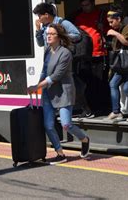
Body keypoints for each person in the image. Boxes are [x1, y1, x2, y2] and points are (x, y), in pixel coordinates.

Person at [27, 24, 90, 164]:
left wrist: (36, 86)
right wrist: (37, 87)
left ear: (59, 37)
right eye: (47, 33)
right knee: (48, 125)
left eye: (52, 34)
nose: (48, 36)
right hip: (48, 92)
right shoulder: (48, 51)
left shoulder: (65, 53)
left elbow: (56, 76)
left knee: (66, 124)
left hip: (63, 92)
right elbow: (44, 71)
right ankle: (60, 154)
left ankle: (84, 139)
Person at [74, 0, 111, 118]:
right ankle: (92, 108)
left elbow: (110, 30)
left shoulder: (101, 15)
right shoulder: (78, 18)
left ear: (93, 3)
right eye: (83, 5)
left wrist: (103, 28)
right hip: (84, 55)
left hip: (99, 54)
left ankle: (104, 108)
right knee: (88, 84)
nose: (85, 7)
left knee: (101, 82)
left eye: (87, 5)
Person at [105, 4, 128, 122]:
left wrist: (115, 34)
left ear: (118, 19)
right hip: (120, 63)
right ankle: (116, 112)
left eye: (111, 22)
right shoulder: (119, 27)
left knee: (127, 88)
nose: (110, 25)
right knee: (113, 84)